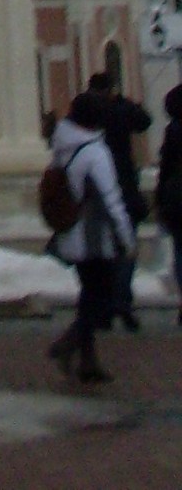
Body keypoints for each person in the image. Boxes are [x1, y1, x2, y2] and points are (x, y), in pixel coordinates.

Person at [46, 91, 135, 384]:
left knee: (89, 294)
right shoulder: (95, 152)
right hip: (95, 236)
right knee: (102, 298)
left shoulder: (63, 146)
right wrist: (126, 238)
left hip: (71, 231)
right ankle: (68, 343)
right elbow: (111, 199)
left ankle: (87, 360)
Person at [86, 68, 152, 331]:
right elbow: (144, 121)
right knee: (125, 249)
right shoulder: (120, 110)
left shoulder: (86, 114)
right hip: (123, 188)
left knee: (101, 253)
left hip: (95, 194)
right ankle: (121, 301)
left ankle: (103, 307)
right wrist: (123, 102)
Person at [155, 83, 182, 329]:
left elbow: (165, 170)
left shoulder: (172, 131)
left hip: (177, 200)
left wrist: (160, 200)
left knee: (180, 251)